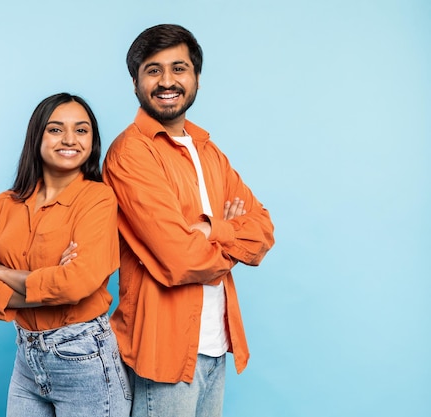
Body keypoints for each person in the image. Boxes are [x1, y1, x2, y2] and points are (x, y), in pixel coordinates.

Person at [102, 24, 276, 417]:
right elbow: (180, 258)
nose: (167, 81)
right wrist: (230, 240)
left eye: (179, 68)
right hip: (164, 351)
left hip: (216, 345)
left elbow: (263, 229)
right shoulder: (130, 154)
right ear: (135, 82)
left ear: (196, 77)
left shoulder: (208, 151)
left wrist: (213, 229)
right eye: (153, 70)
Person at [0, 92, 132, 417]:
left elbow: (76, 283)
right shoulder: (4, 204)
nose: (70, 139)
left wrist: (1, 272)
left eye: (81, 130)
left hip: (84, 356)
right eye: (56, 129)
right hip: (26, 358)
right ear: (37, 136)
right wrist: (48, 289)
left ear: (92, 141)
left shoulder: (98, 199)